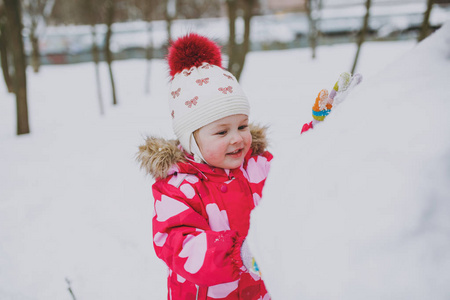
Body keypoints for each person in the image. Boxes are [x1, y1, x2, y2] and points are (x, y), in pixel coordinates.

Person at [137, 33, 272, 300]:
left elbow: (298, 174)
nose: (237, 138)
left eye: (242, 126)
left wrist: (321, 128)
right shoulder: (177, 188)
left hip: (260, 292)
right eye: (222, 132)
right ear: (192, 141)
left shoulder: (258, 165)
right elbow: (178, 245)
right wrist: (237, 254)